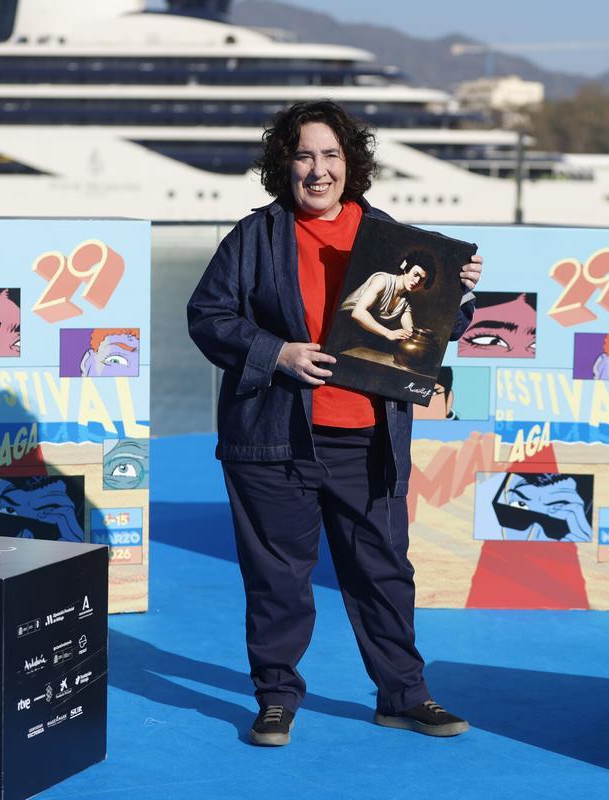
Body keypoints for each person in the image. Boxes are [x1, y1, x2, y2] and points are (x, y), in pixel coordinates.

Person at [187, 100, 482, 747]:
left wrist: (456, 293)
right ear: (284, 165)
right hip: (274, 440)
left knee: (384, 573)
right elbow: (208, 316)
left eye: (330, 155)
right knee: (278, 580)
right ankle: (275, 698)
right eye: (303, 156)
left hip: (368, 441)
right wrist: (277, 353)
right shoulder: (254, 237)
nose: (318, 170)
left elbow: (433, 334)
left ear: (351, 163)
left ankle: (404, 695)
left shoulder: (390, 238)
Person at [338, 249, 435, 343]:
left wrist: (423, 337)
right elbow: (357, 313)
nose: (417, 281)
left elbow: (409, 332)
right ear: (406, 269)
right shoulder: (382, 281)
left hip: (362, 337)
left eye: (422, 279)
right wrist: (388, 333)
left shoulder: (405, 301)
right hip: (341, 328)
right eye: (415, 274)